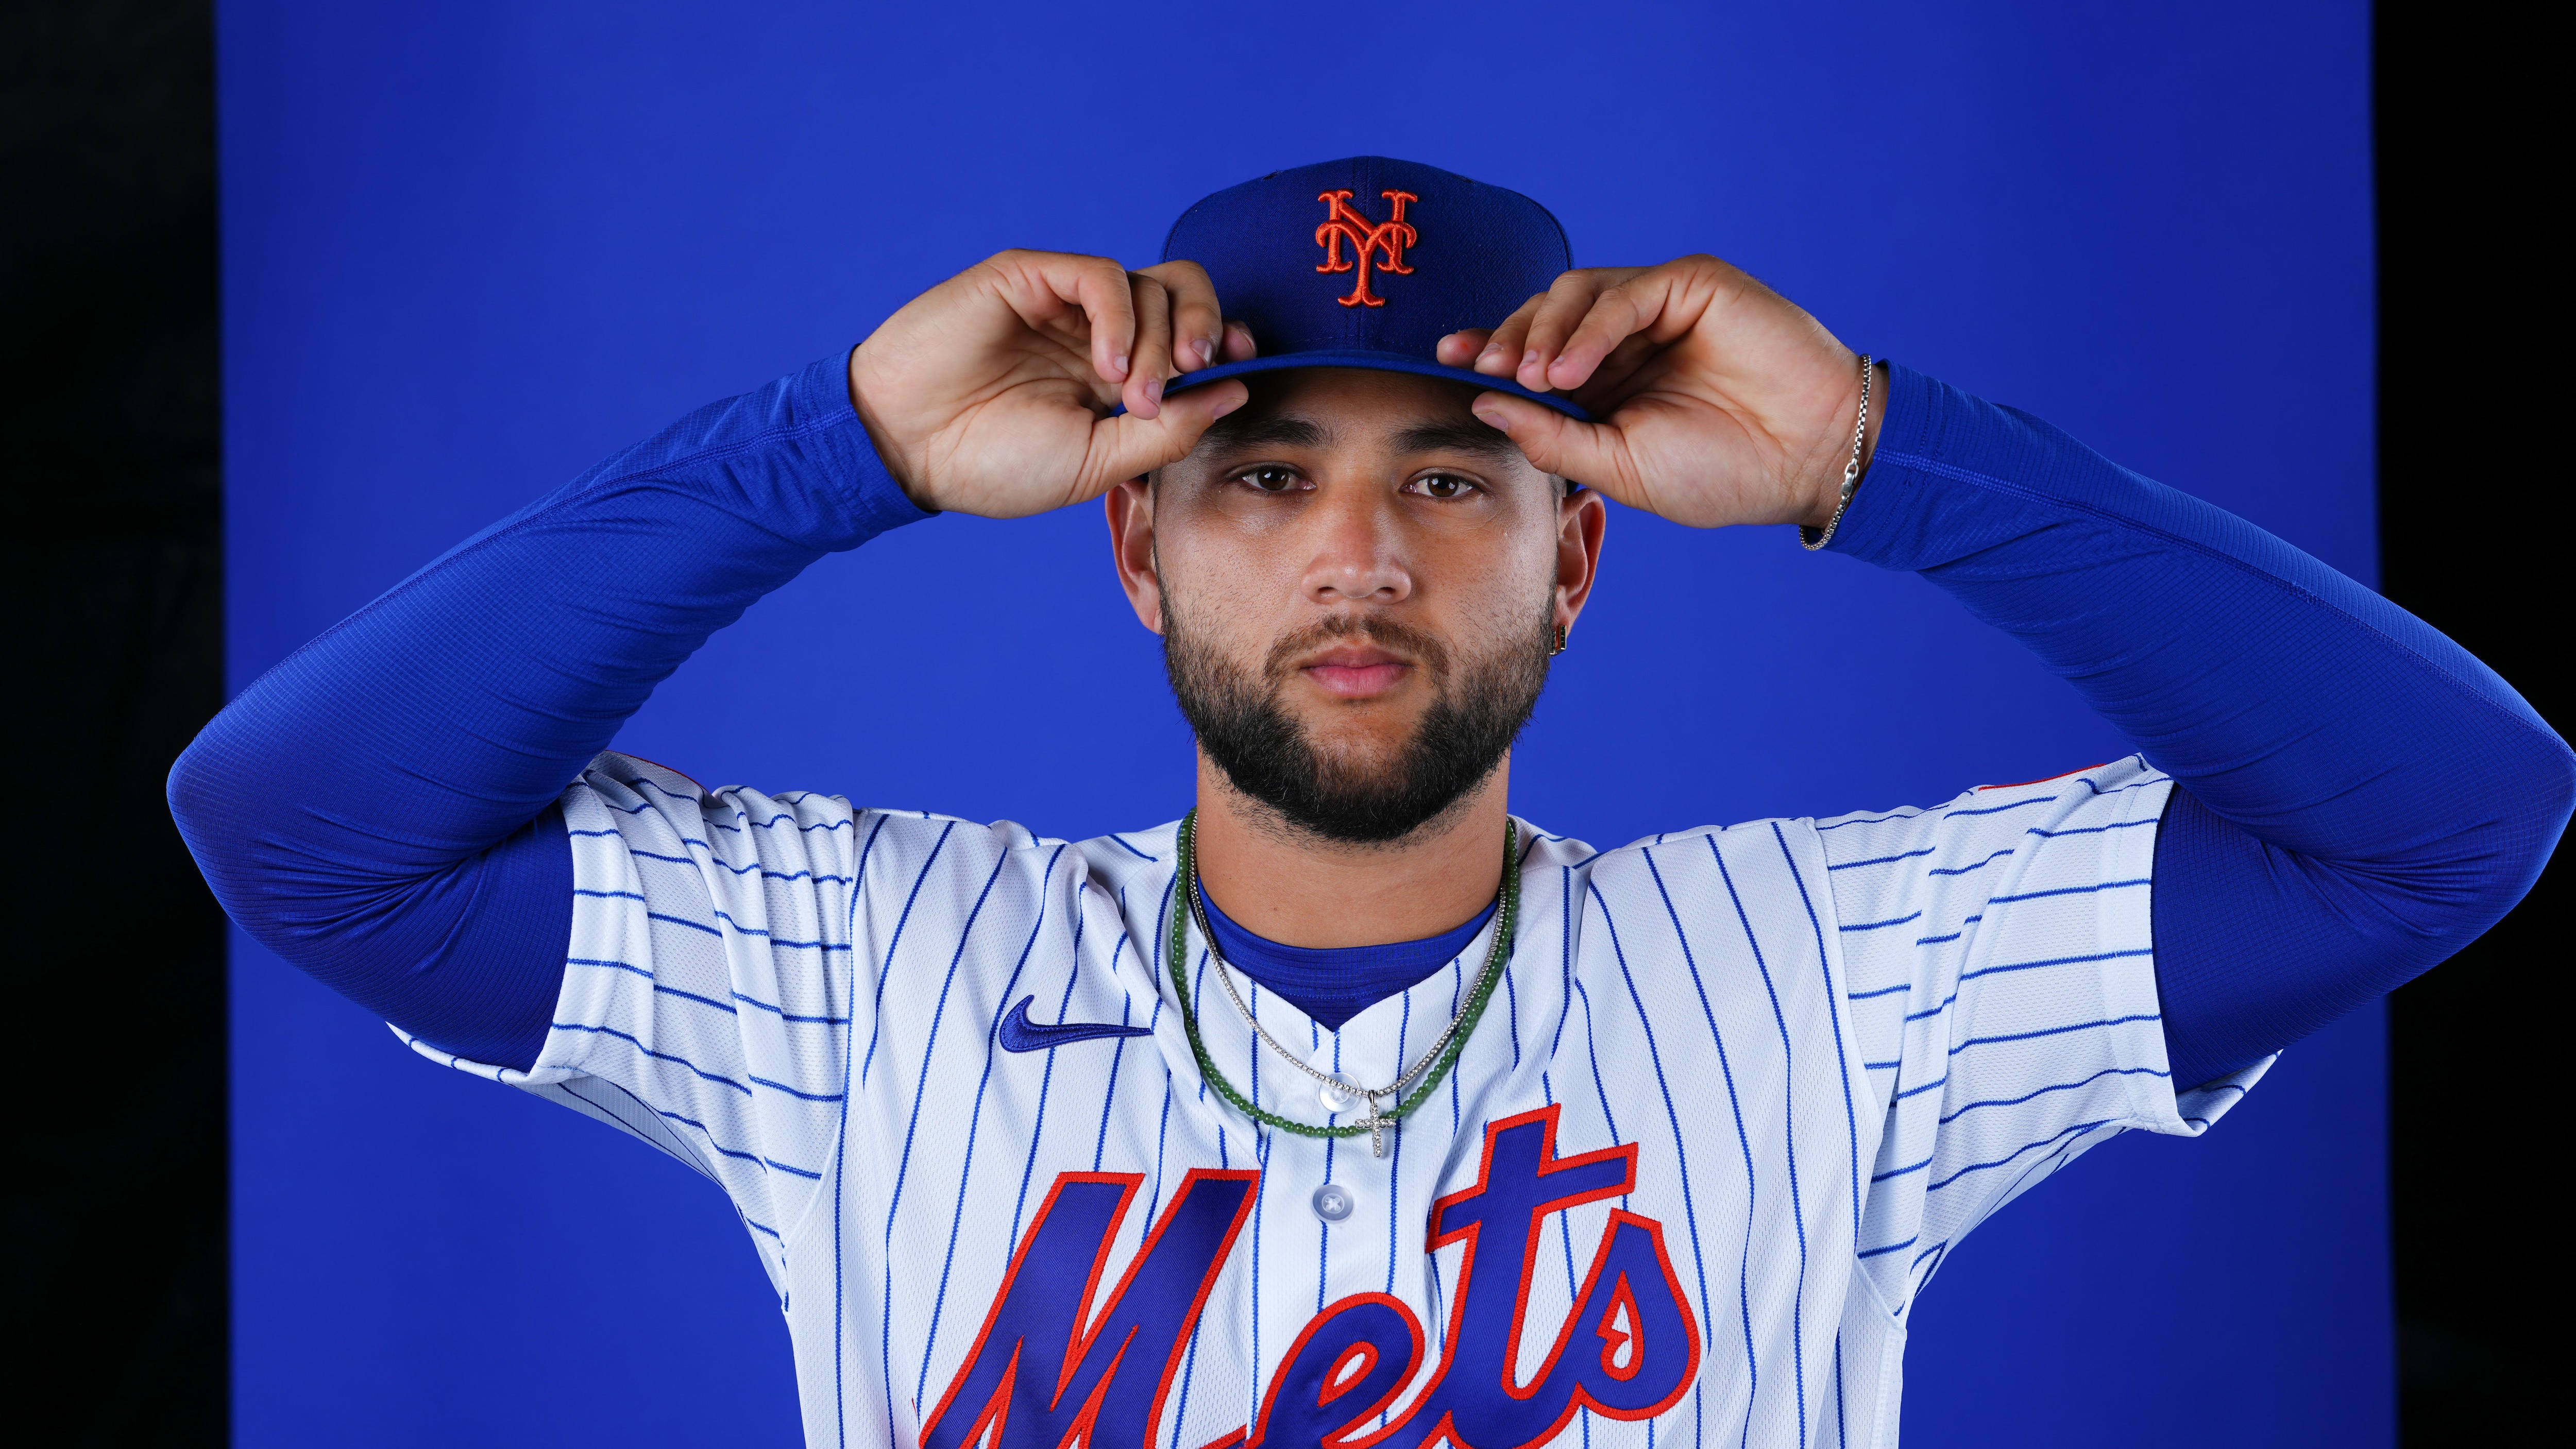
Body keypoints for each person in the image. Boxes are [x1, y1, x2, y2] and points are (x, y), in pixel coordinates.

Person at [171, 157, 2568, 1448]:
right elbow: (304, 824)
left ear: (1575, 549)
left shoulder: (1843, 978)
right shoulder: (867, 965)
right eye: (1260, 477)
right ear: (1129, 535)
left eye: (1450, 474)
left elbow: (2439, 814)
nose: (1354, 556)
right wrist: (832, 454)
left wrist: (1867, 450)